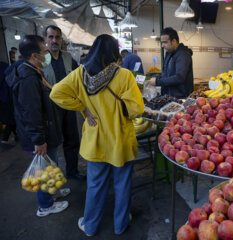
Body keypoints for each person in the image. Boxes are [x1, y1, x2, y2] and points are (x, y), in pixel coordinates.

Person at [50, 34, 144, 236]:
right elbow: (137, 110)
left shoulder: (79, 75)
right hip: (120, 142)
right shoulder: (125, 75)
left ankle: (90, 225)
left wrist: (82, 107)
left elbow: (55, 93)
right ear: (114, 53)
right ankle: (121, 225)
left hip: (96, 142)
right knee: (122, 184)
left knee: (95, 186)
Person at [6, 35, 69, 217]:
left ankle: (53, 193)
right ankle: (45, 206)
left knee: (52, 165)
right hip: (40, 135)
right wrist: (38, 140)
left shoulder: (33, 71)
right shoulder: (28, 79)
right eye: (44, 51)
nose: (47, 54)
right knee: (44, 171)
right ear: (35, 55)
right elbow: (31, 112)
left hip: (46, 130)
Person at [42, 25, 85, 180]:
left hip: (68, 106)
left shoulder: (68, 58)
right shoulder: (41, 60)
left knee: (72, 140)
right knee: (52, 144)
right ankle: (54, 179)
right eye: (51, 37)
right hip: (50, 109)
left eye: (57, 37)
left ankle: (72, 172)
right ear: (45, 39)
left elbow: (78, 77)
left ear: (61, 39)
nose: (54, 40)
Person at [148, 27, 194, 99]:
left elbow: (179, 78)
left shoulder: (183, 55)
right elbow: (166, 74)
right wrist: (156, 78)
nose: (162, 45)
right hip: (169, 97)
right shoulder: (168, 53)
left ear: (174, 41)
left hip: (180, 98)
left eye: (165, 42)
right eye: (162, 42)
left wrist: (157, 82)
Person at [0, 60, 16, 145]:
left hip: (4, 99)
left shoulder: (3, 66)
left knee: (10, 119)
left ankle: (13, 136)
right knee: (11, 119)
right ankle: (5, 138)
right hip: (7, 99)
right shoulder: (4, 66)